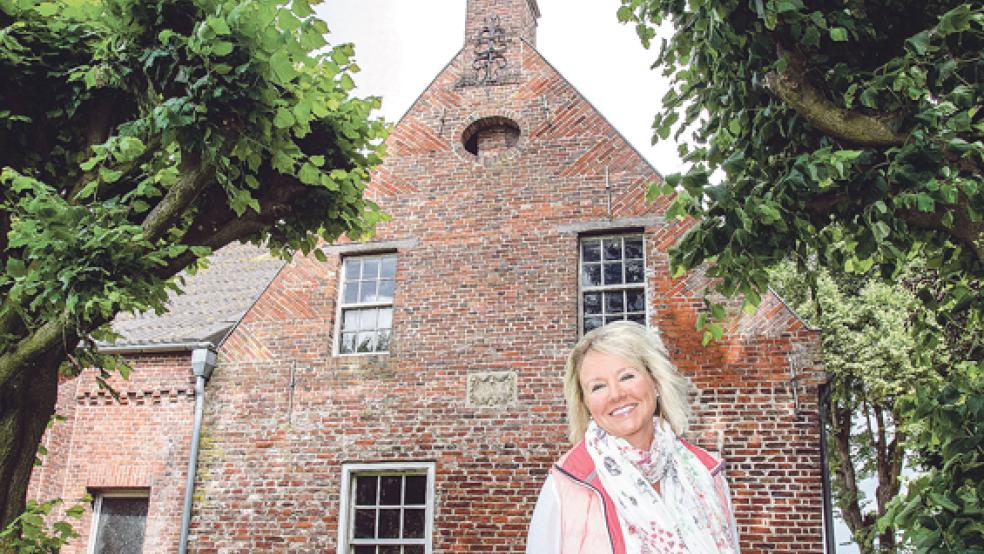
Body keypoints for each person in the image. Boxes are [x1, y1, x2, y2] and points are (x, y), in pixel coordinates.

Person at [526, 321, 740, 554]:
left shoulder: (706, 472)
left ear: (655, 381)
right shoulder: (567, 485)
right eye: (598, 387)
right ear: (585, 403)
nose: (616, 394)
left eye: (626, 376)